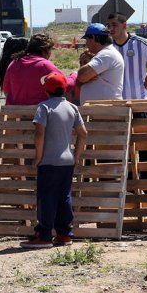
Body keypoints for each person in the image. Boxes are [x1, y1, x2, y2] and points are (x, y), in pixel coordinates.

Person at [21, 72, 87, 249]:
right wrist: (77, 156)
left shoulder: (44, 107)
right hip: (67, 161)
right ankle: (64, 234)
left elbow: (39, 134)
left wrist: (38, 157)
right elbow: (83, 134)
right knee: (64, 197)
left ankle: (44, 235)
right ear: (64, 89)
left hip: (49, 162)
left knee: (46, 198)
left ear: (47, 90)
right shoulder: (72, 108)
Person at [108, 12, 147, 182]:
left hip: (139, 103)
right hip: (118, 106)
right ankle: (130, 184)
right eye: (109, 26)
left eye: (114, 25)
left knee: (144, 145)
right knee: (123, 145)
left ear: (124, 25)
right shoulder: (108, 47)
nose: (111, 29)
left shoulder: (140, 43)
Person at [3, 34, 74, 106]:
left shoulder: (14, 63)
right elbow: (65, 85)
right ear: (44, 50)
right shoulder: (44, 65)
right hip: (41, 111)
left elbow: (6, 89)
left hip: (15, 110)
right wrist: (74, 76)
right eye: (50, 50)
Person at [76, 23, 124, 105]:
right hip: (102, 111)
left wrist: (85, 76)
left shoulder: (106, 54)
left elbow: (82, 75)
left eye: (87, 40)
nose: (86, 44)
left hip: (104, 112)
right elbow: (80, 80)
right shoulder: (107, 53)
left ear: (93, 38)